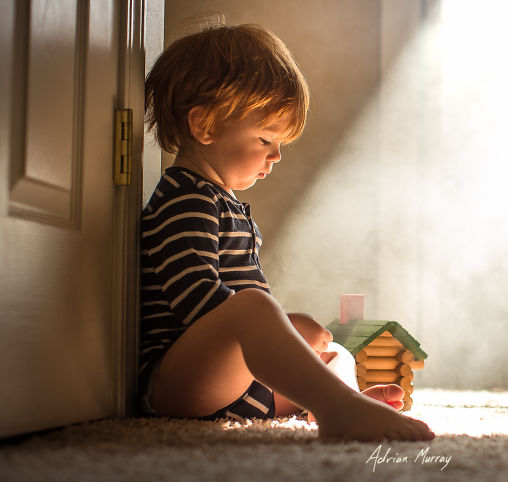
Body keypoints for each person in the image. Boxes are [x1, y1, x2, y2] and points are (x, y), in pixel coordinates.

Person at [140, 23, 434, 442]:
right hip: (180, 382)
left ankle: (342, 399)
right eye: (265, 139)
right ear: (204, 126)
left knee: (327, 343)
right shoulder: (186, 200)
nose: (276, 155)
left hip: (229, 385)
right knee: (255, 308)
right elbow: (195, 301)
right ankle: (338, 406)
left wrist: (291, 338)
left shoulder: (223, 203)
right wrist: (272, 328)